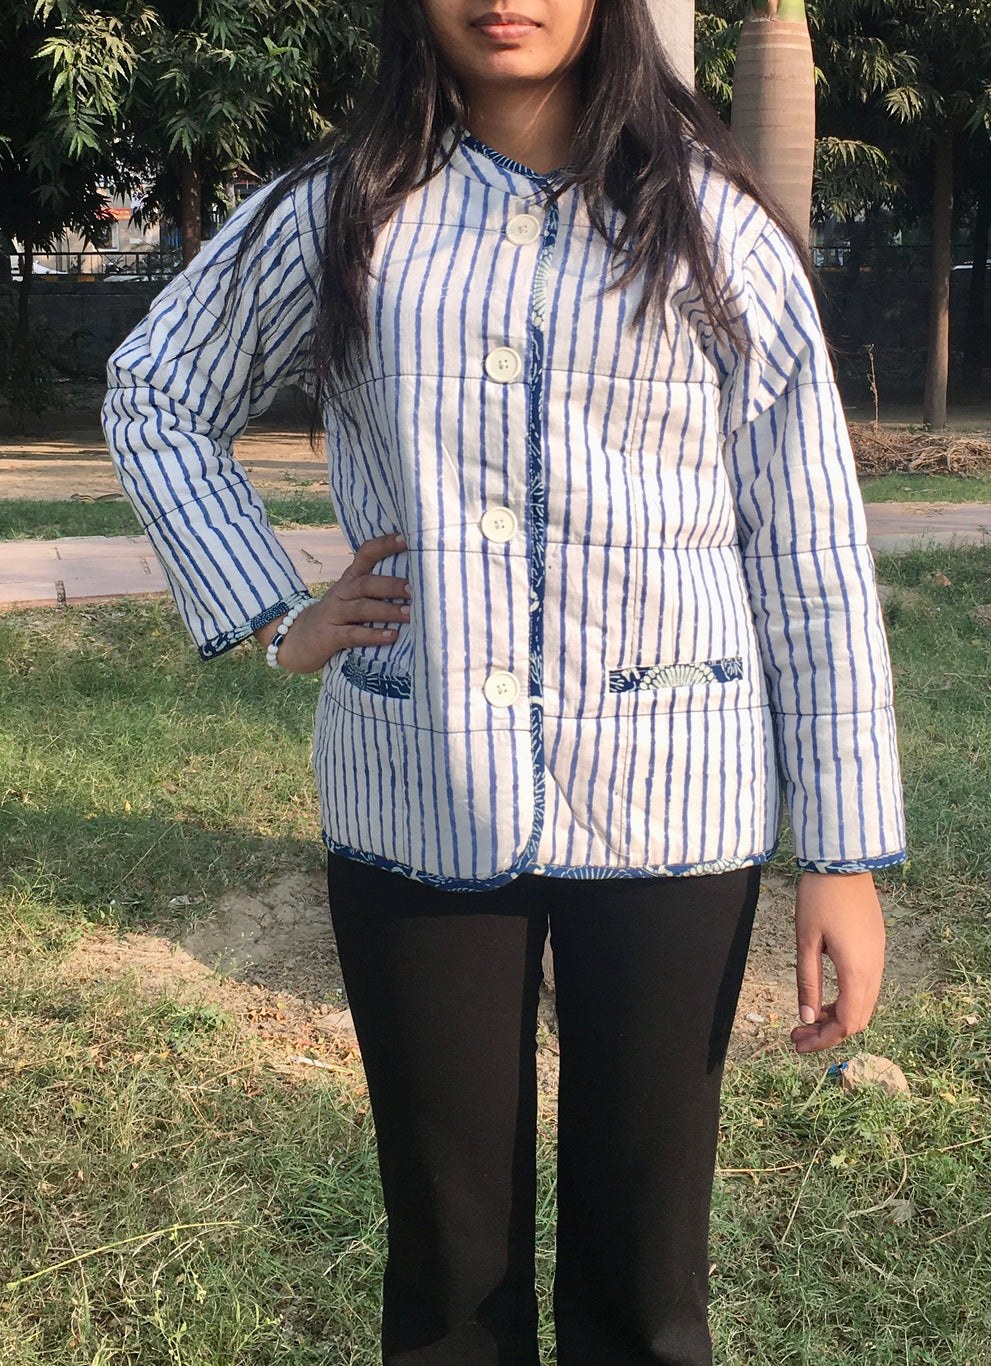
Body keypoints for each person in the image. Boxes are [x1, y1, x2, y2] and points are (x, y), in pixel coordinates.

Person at [103, 2, 906, 1362]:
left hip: (674, 809)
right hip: (419, 791)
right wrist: (272, 612)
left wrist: (842, 855)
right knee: (451, 1268)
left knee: (647, 1282)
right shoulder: (344, 210)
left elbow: (808, 541)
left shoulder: (714, 227)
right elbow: (156, 389)